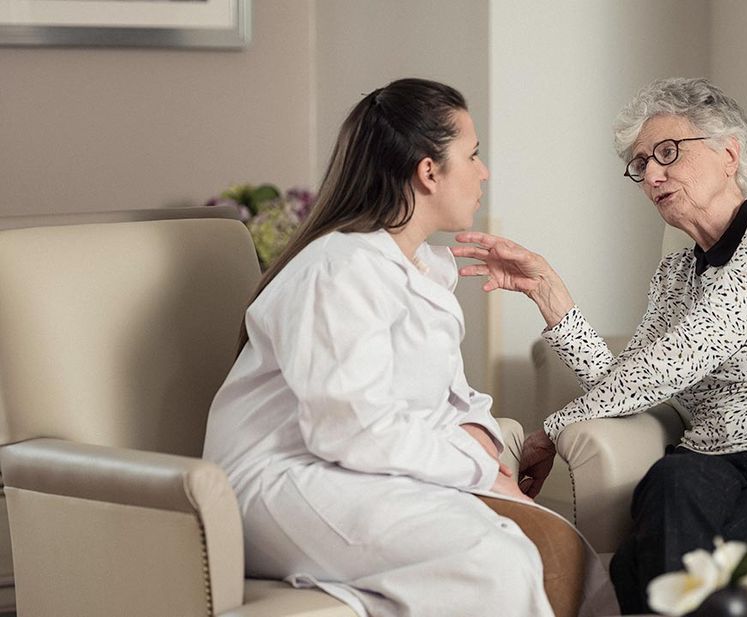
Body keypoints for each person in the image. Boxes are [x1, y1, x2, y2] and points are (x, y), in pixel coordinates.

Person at [452, 77, 747, 614]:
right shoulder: (675, 273)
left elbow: (682, 357)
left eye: (667, 152)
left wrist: (551, 428)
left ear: (729, 154)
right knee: (672, 481)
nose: (652, 175)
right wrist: (548, 292)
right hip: (715, 463)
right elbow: (626, 384)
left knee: (683, 566)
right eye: (641, 164)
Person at [202, 78, 614, 617]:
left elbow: (457, 398)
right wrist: (476, 465)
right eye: (473, 155)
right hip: (285, 483)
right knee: (494, 561)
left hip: (359, 471)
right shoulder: (339, 270)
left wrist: (479, 440)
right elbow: (350, 428)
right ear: (428, 172)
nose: (483, 172)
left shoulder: (422, 271)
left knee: (562, 556)